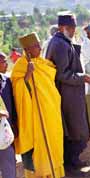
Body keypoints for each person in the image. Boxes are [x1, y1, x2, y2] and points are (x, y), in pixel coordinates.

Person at [11, 32, 64, 178]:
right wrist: (28, 74)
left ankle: (54, 173)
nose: (40, 48)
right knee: (40, 146)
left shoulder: (44, 63)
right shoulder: (20, 66)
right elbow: (18, 90)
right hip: (35, 116)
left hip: (51, 112)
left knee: (54, 141)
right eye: (36, 46)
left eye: (39, 44)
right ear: (27, 50)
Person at [45, 12, 90, 176]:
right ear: (61, 28)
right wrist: (82, 77)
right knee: (72, 130)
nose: (73, 31)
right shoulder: (59, 44)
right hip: (66, 95)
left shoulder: (64, 41)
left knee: (75, 128)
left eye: (73, 27)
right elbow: (61, 74)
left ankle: (73, 161)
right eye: (70, 28)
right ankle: (69, 167)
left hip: (71, 94)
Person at [0, 52, 17, 178]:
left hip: (6, 132)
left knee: (9, 169)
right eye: (3, 62)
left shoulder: (7, 81)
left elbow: (12, 104)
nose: (7, 64)